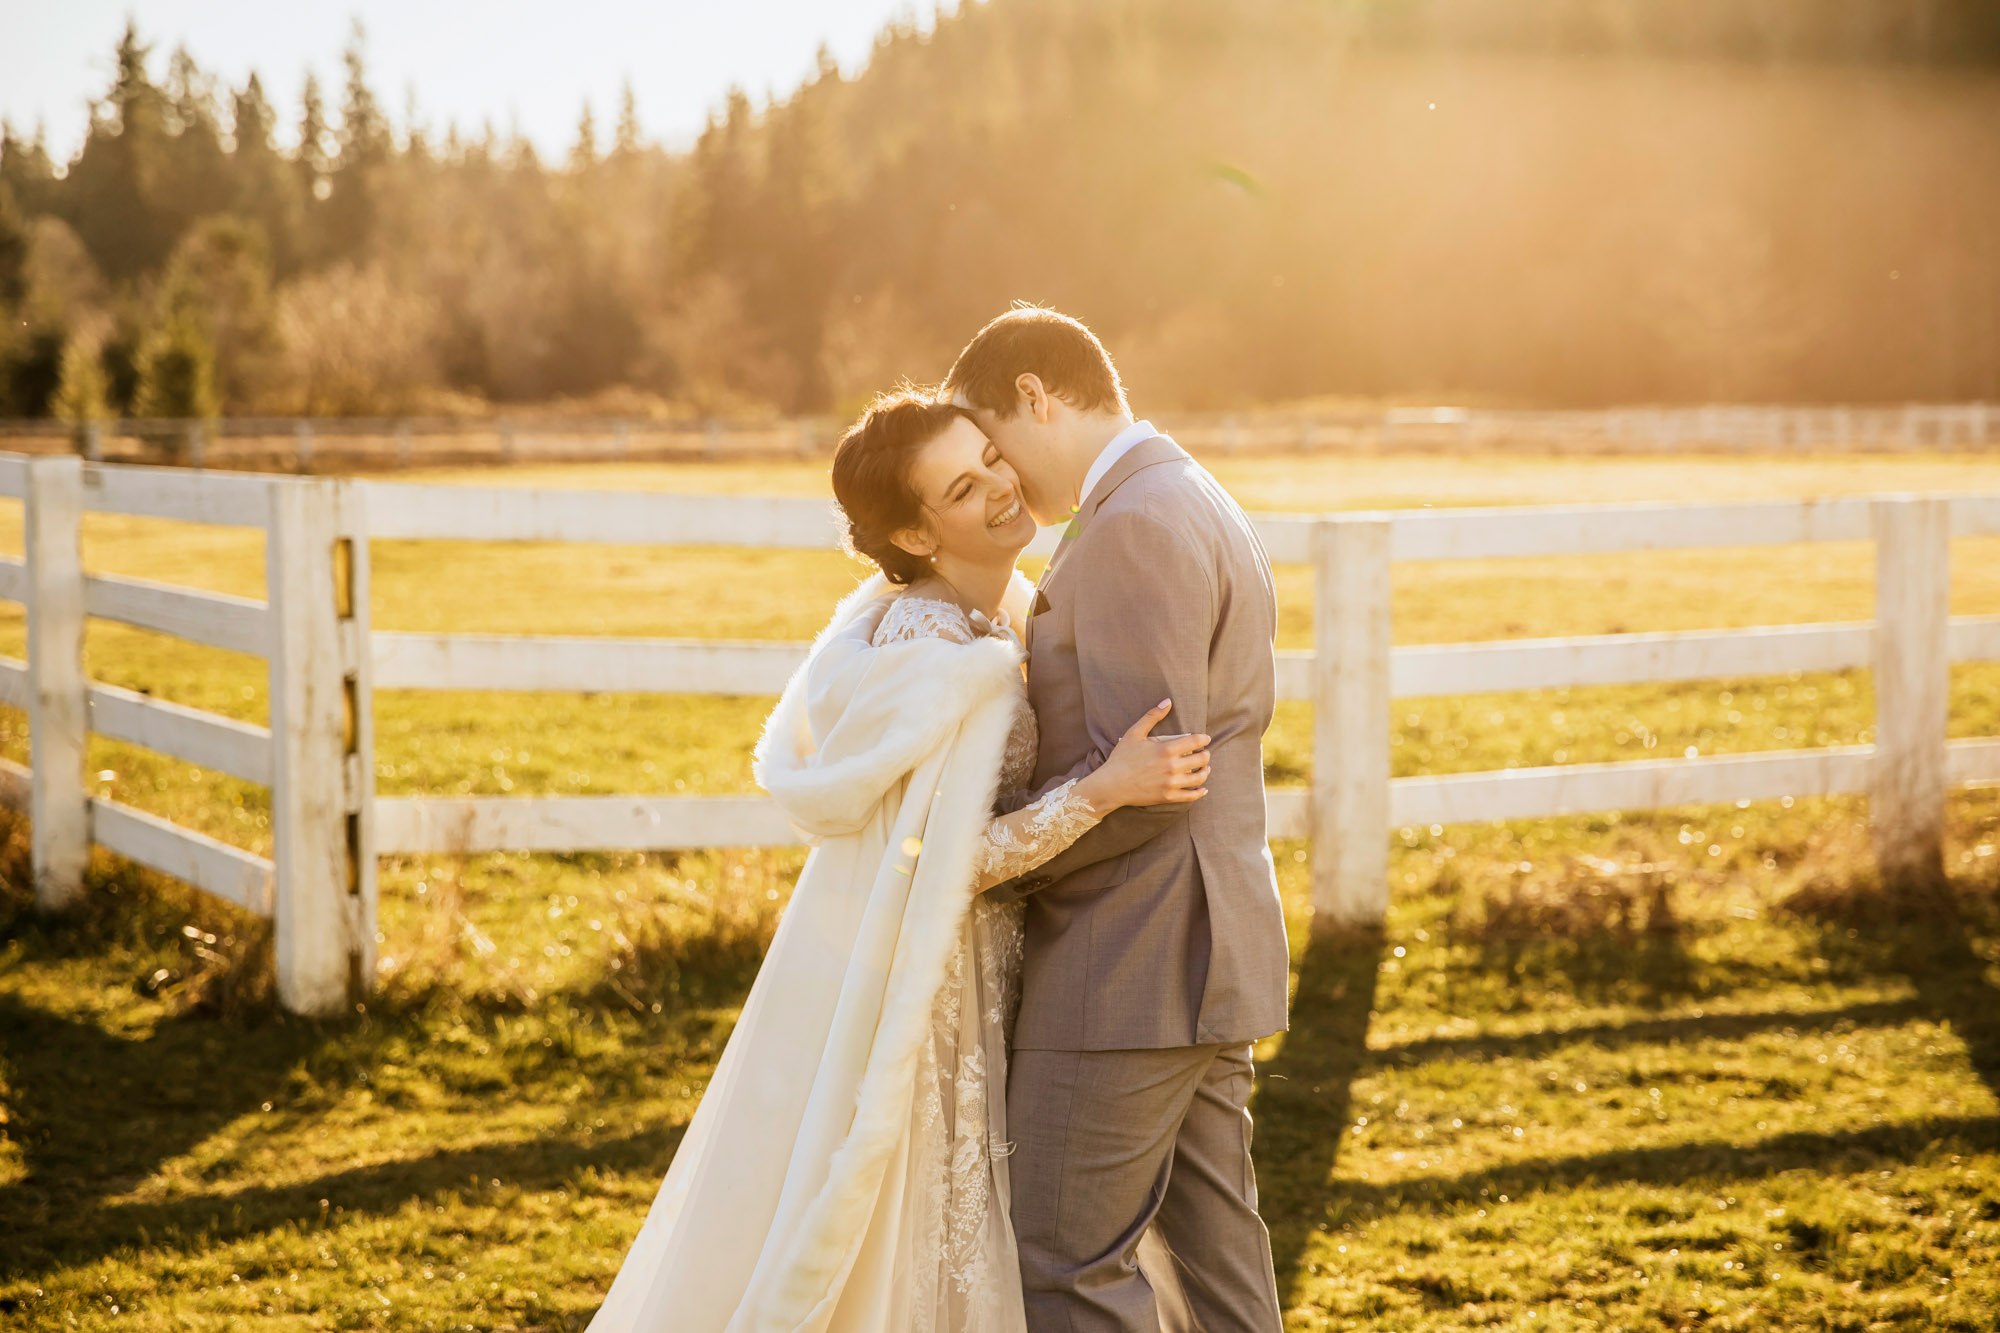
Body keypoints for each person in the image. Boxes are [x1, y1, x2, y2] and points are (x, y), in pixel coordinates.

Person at [584, 390, 1211, 1332]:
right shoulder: (931, 650)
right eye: (965, 487)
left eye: (993, 457)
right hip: (929, 976)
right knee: (913, 1219)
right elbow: (938, 864)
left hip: (980, 961)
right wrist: (1105, 789)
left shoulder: (995, 607)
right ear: (919, 534)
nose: (1003, 486)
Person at [941, 305, 1289, 1332]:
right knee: (1222, 1279)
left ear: (1036, 398)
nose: (1000, 479)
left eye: (994, 444)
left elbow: (1151, 775)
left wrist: (999, 864)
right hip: (1206, 955)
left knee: (1064, 1265)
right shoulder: (1191, 493)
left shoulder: (1133, 522)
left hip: (1126, 962)